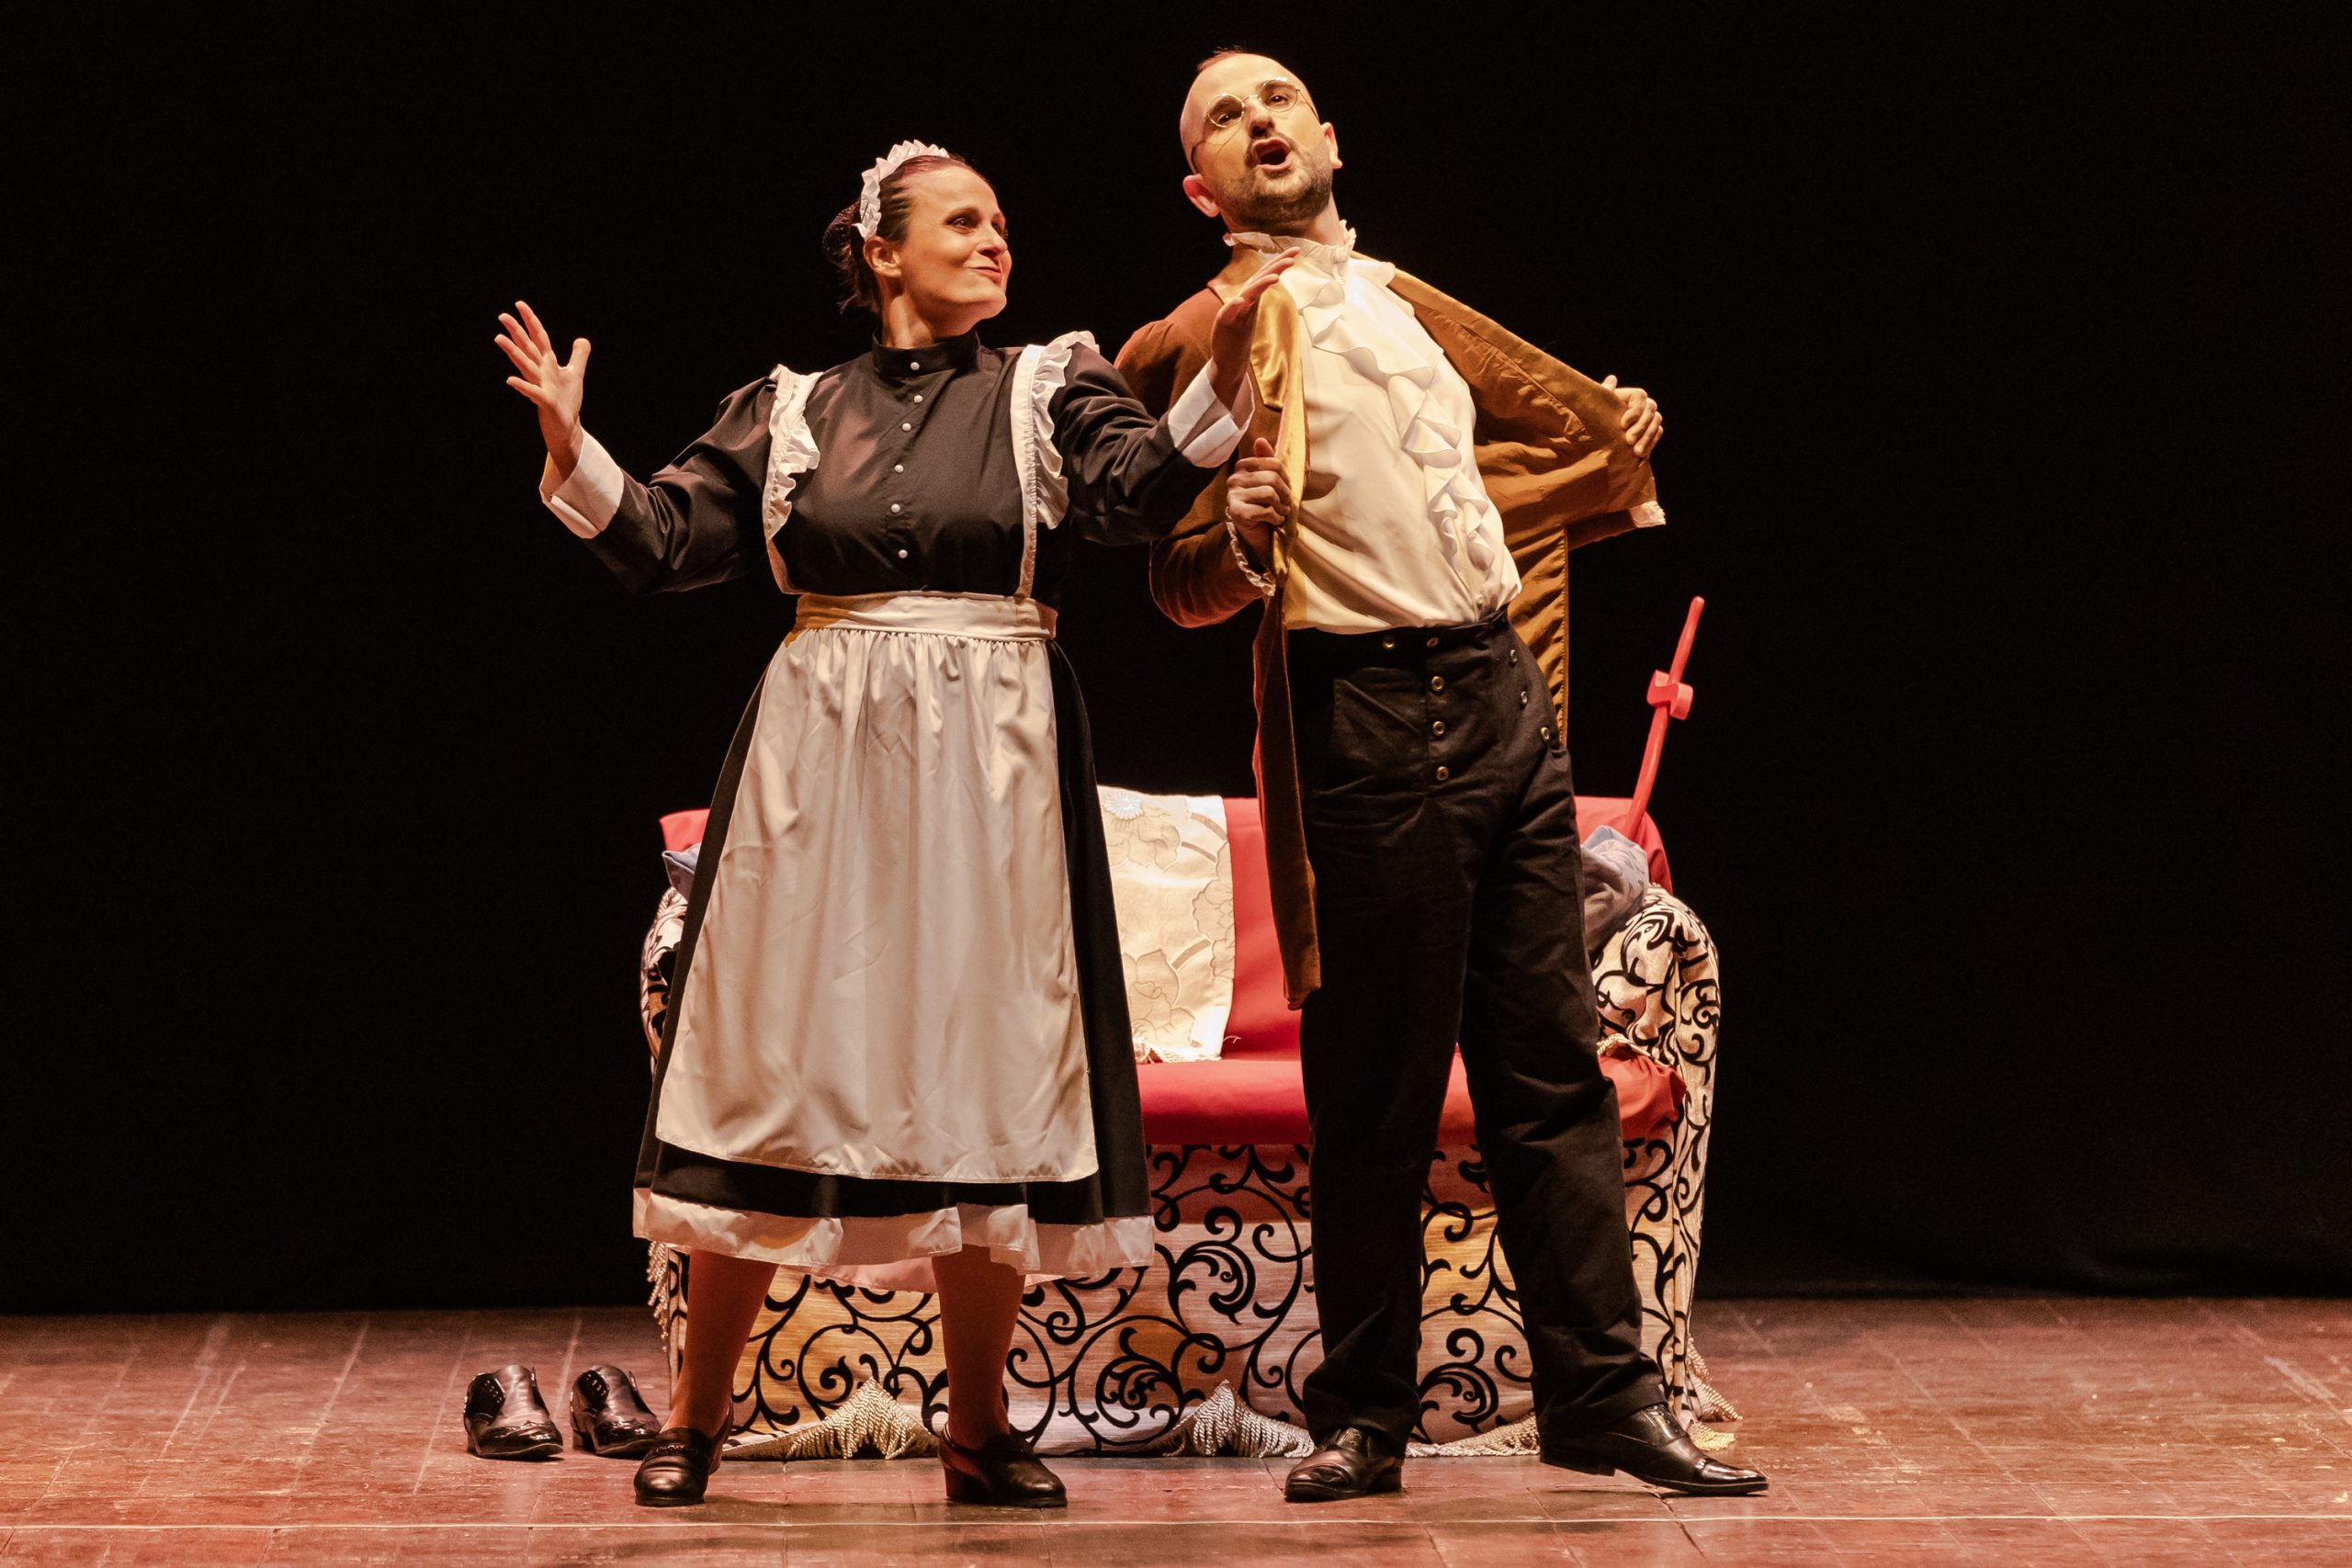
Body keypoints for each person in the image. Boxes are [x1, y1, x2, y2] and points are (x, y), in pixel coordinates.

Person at [496, 140, 1293, 1509]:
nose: (996, 241)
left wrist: (1220, 387)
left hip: (995, 763)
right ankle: (696, 1420)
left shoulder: (1051, 383)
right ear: (882, 251)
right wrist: (579, 456)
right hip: (824, 764)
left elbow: (1136, 491)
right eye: (964, 221)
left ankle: (978, 1432)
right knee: (769, 1063)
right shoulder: (792, 406)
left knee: (985, 1071)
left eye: (1002, 223)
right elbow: (672, 542)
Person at [1113, 56, 1768, 1500]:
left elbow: (1506, 468)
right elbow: (1173, 573)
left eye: (1280, 99)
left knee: (1549, 1070)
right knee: (1380, 1079)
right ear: (1199, 188)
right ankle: (1364, 1412)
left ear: (1331, 137)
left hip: (1498, 692)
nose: (1260, 121)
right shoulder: (1200, 335)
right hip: (1366, 709)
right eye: (1224, 117)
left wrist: (1603, 438)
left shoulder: (1407, 305)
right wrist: (1239, 536)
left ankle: (1602, 1400)